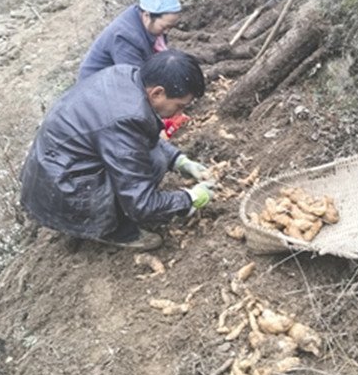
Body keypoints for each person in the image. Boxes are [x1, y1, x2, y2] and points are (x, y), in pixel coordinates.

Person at [20, 50, 214, 250]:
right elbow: (141, 204)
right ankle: (115, 231)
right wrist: (188, 199)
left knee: (155, 158)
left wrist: (179, 160)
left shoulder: (128, 75)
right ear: (157, 93)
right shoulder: (126, 118)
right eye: (179, 105)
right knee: (153, 162)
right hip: (61, 190)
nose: (180, 112)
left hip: (54, 169)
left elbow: (141, 138)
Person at [78, 0, 182, 81]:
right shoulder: (126, 37)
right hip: (96, 86)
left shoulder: (146, 22)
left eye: (170, 27)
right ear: (147, 16)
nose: (167, 32)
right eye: (164, 27)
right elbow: (134, 82)